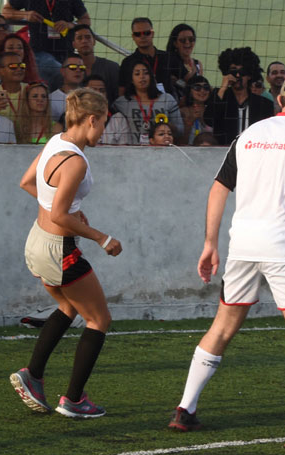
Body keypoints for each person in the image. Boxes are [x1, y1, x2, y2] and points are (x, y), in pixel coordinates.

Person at [167, 70, 285, 452]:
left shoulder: (248, 135)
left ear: (282, 98)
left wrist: (209, 243)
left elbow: (219, 188)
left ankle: (185, 408)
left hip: (242, 248)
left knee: (222, 328)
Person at [10, 87, 122, 419]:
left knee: (67, 305)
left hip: (37, 240)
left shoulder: (55, 143)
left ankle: (33, 374)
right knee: (99, 319)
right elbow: (59, 215)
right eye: (103, 123)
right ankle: (73, 400)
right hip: (60, 249)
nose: (103, 131)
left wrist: (68, 211)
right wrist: (102, 238)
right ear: (91, 119)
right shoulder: (75, 161)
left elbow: (27, 182)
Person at [1, 0, 89, 84]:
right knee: (61, 76)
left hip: (66, 50)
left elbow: (86, 20)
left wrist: (70, 25)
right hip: (38, 51)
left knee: (64, 82)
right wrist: (25, 15)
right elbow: (6, 11)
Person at [105, 60, 184, 145]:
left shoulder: (167, 99)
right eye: (137, 74)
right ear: (131, 79)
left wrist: (165, 126)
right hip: (132, 151)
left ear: (151, 76)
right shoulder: (122, 102)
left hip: (161, 150)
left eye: (146, 73)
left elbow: (180, 130)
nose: (142, 77)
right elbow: (108, 122)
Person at [206, 47, 272, 144]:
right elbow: (209, 119)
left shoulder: (264, 104)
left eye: (242, 72)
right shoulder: (219, 97)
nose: (237, 76)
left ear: (249, 75)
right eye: (233, 71)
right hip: (224, 153)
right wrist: (223, 87)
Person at [68, 24, 120, 103]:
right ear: (74, 44)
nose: (84, 41)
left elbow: (119, 99)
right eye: (79, 38)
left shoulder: (111, 68)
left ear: (94, 41)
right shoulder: (69, 72)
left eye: (88, 37)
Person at [120, 18, 168, 94]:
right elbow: (122, 92)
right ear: (133, 37)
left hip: (169, 104)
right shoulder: (127, 63)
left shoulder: (168, 57)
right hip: (140, 105)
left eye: (146, 33)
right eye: (138, 34)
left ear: (152, 34)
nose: (142, 36)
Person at [160, 23, 202, 101]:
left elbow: (200, 85)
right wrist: (192, 72)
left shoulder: (198, 64)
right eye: (183, 40)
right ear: (175, 43)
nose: (187, 43)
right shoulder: (169, 62)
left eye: (191, 39)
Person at [50, 53, 89, 122]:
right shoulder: (51, 99)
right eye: (72, 67)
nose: (78, 70)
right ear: (62, 71)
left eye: (82, 68)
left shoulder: (90, 97)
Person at [180, 74, 214, 143]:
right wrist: (190, 122)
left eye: (206, 87)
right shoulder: (182, 112)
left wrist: (204, 120)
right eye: (197, 87)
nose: (202, 91)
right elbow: (180, 142)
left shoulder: (213, 110)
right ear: (189, 90)